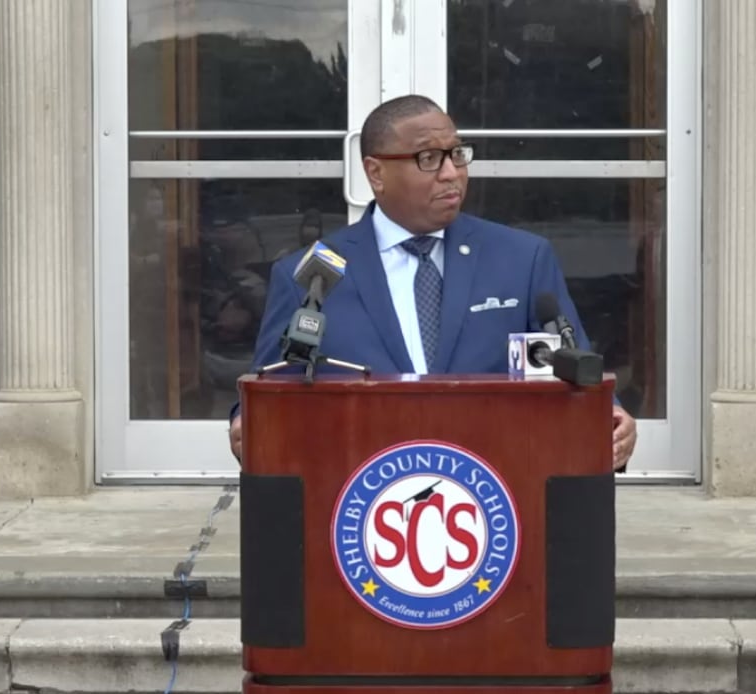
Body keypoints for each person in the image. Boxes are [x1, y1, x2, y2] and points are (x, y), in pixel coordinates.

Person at [227, 94, 637, 468]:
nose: (451, 174)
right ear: (376, 172)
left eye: (457, 155)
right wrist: (247, 423)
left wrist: (610, 417)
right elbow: (270, 388)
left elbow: (576, 367)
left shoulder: (522, 258)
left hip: (499, 488)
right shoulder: (312, 274)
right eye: (428, 158)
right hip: (358, 491)